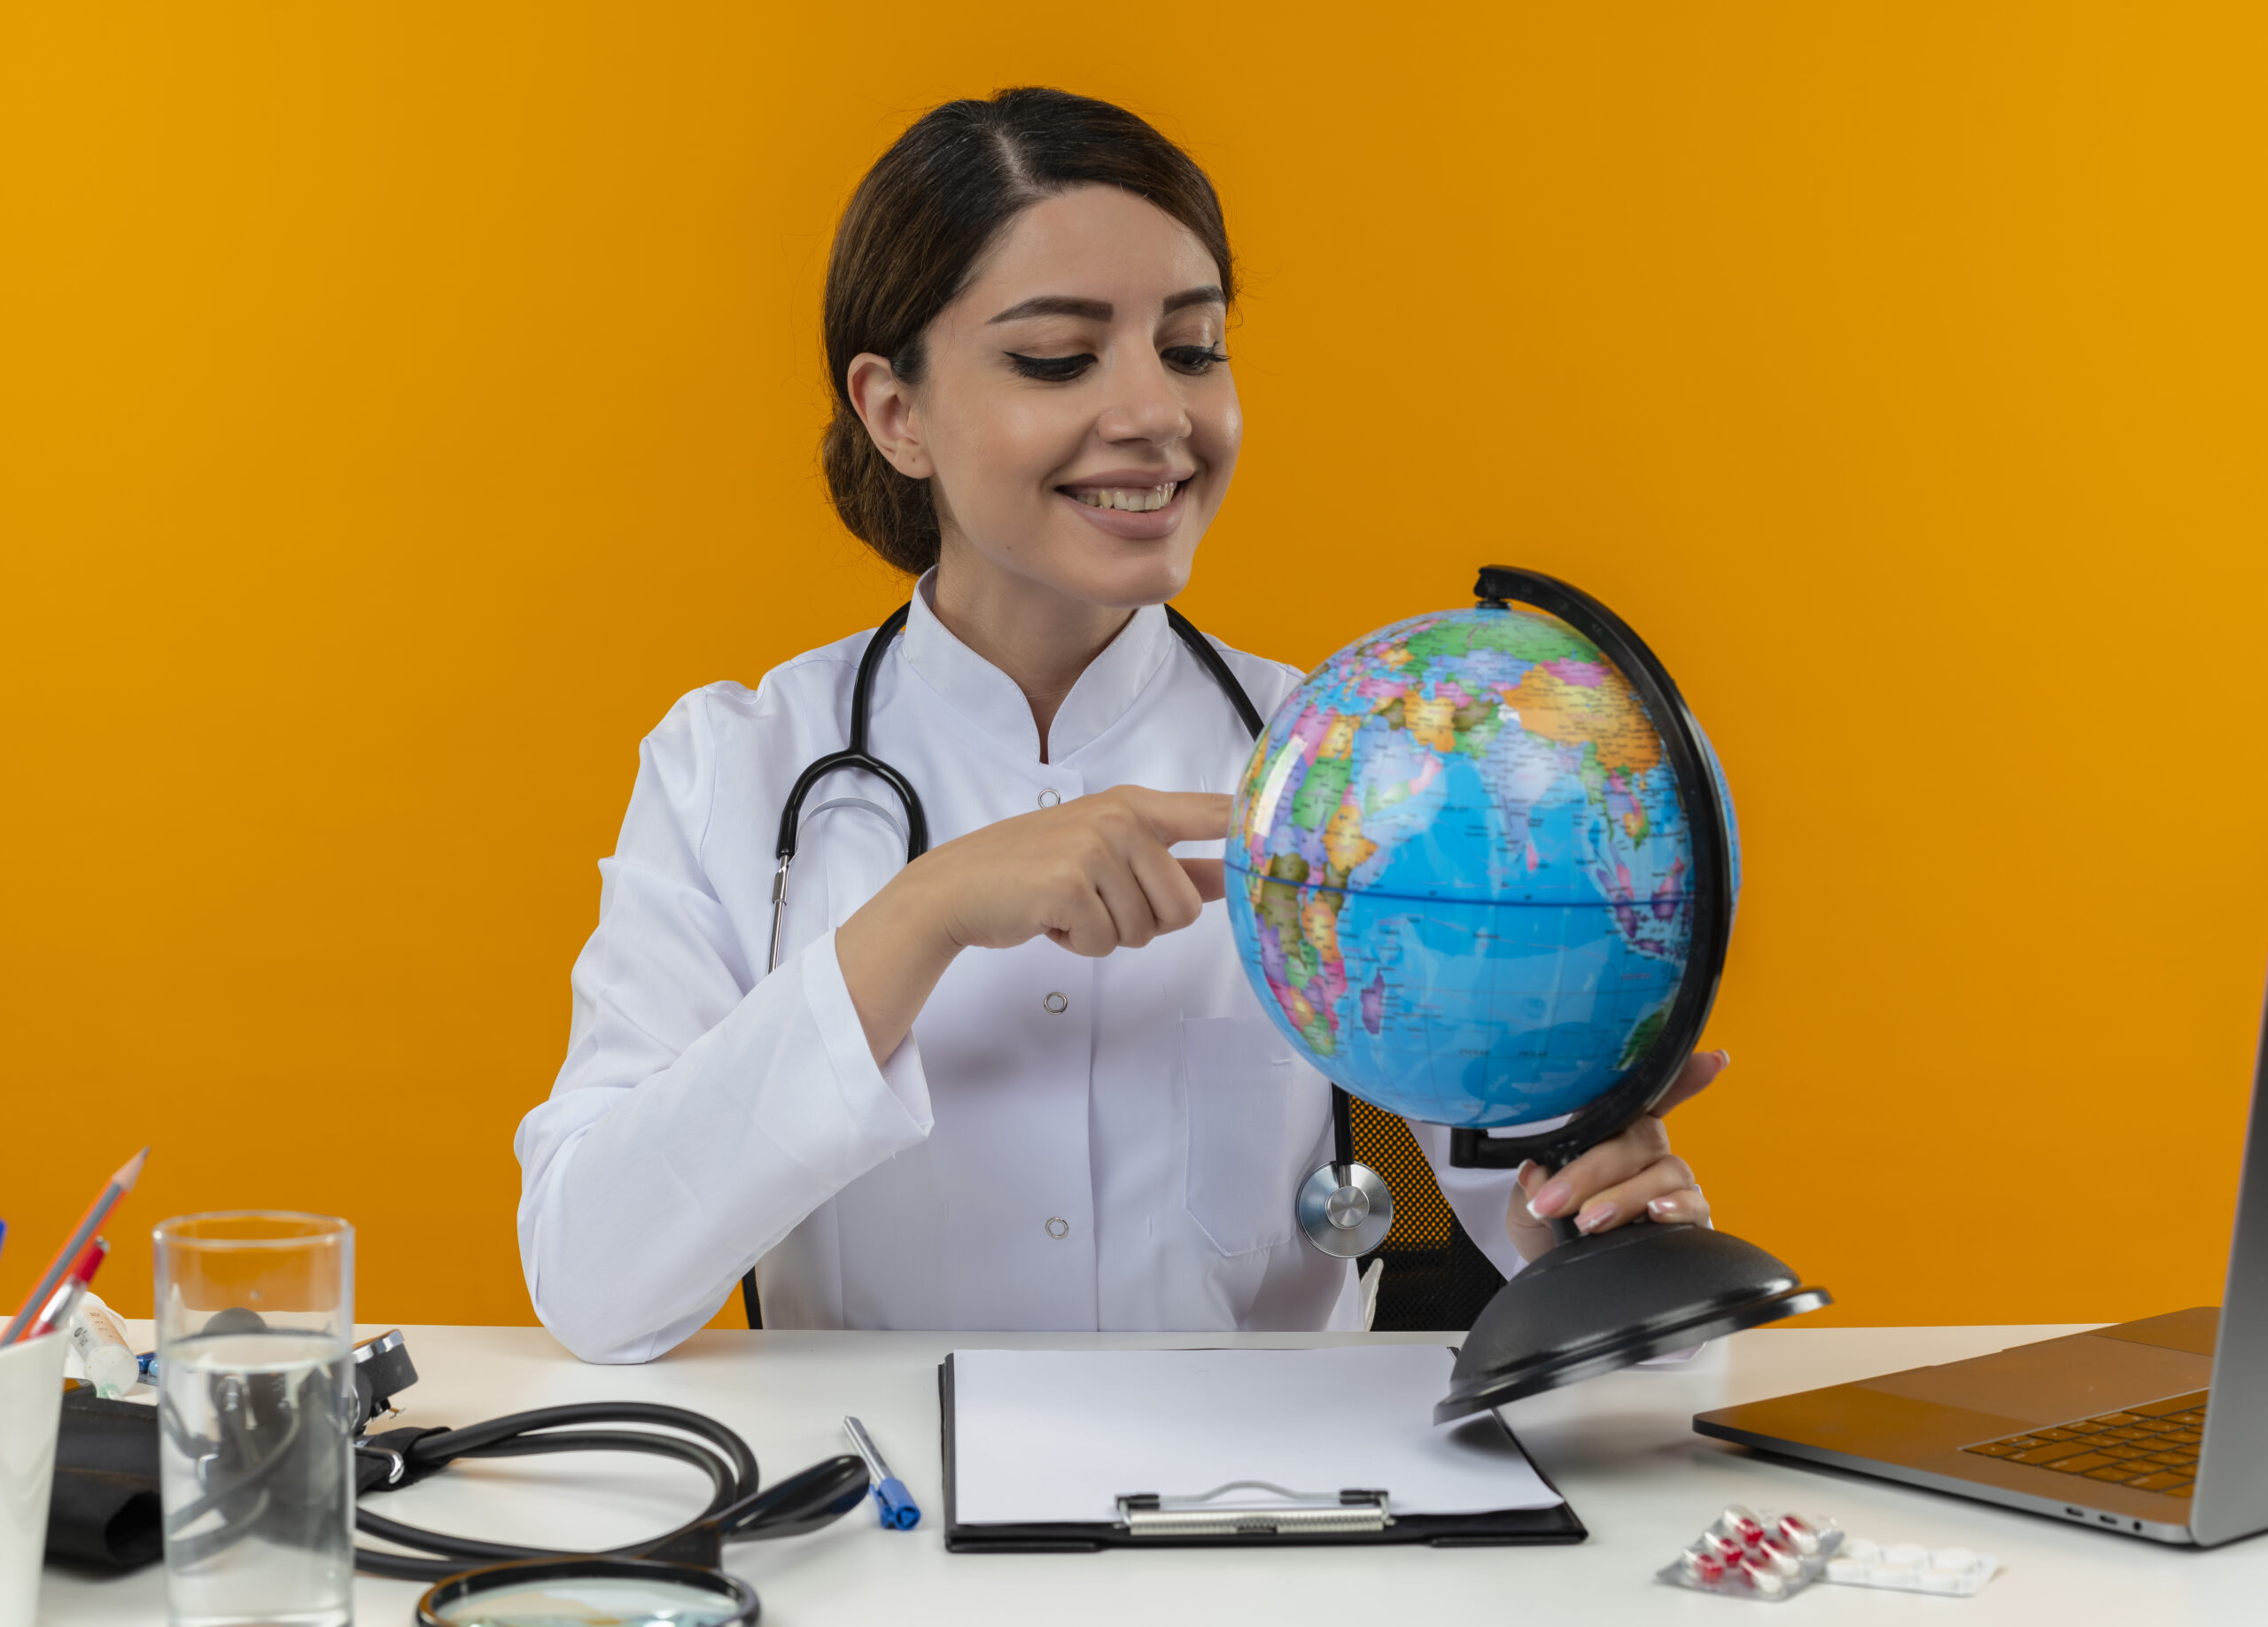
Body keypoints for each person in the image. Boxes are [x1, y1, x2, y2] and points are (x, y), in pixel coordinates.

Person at [515, 87, 1727, 1364]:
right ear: (895, 412)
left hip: (1267, 1532)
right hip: (877, 1537)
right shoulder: (732, 768)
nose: (1158, 414)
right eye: (1058, 357)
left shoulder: (1373, 768)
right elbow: (595, 1285)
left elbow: (1536, 1232)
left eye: (1194, 349)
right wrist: (920, 915)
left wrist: (1604, 1227)